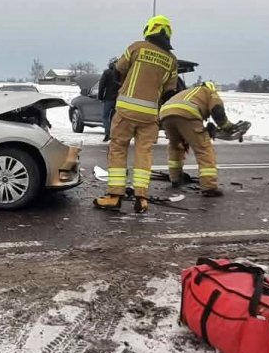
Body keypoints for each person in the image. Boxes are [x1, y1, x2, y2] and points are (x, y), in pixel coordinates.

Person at [94, 15, 179, 214]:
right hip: (150, 116)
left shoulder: (136, 47)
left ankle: (115, 196)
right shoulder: (171, 61)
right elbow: (169, 93)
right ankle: (142, 197)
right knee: (144, 154)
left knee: (118, 149)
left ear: (149, 29)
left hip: (126, 111)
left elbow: (117, 71)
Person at [159, 81, 235, 197]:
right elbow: (218, 112)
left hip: (165, 113)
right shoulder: (210, 92)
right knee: (203, 149)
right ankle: (209, 187)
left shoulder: (189, 92)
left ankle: (175, 179)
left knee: (175, 146)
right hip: (188, 113)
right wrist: (228, 127)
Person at [98, 58, 121, 142]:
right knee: (115, 117)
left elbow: (101, 86)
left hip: (108, 98)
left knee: (105, 116)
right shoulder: (122, 73)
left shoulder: (107, 72)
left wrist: (100, 97)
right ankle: (114, 134)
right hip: (120, 98)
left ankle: (108, 132)